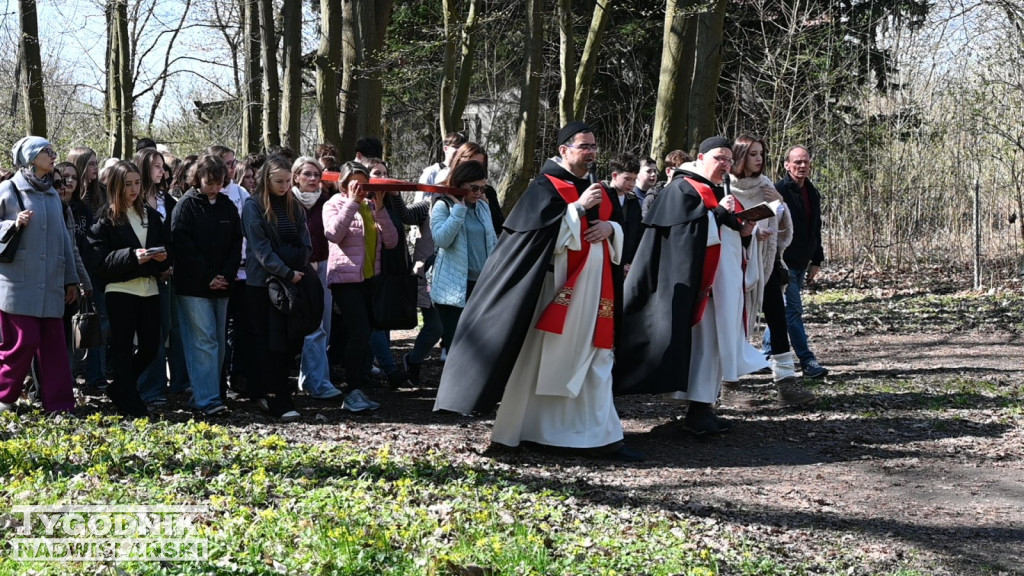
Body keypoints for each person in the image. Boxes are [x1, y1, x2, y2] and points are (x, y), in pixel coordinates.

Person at [434, 121, 640, 461]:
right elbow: (536, 239)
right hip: (556, 289)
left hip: (597, 289)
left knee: (596, 356)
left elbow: (619, 228)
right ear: (564, 150)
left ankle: (602, 436)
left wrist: (611, 227)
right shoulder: (544, 187)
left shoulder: (596, 187)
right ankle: (528, 429)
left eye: (593, 146)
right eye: (584, 146)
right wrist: (575, 211)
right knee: (542, 359)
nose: (591, 152)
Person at [615, 136, 768, 436]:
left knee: (711, 346)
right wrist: (721, 216)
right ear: (700, 157)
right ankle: (697, 411)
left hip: (718, 287)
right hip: (697, 287)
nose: (724, 164)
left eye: (728, 159)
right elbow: (686, 234)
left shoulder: (714, 190)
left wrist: (744, 229)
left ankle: (703, 407)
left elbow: (721, 231)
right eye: (718, 158)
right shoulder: (682, 187)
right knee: (703, 345)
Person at [725, 135, 815, 406]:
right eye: (753, 154)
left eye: (761, 153)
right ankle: (728, 386)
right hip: (735, 264)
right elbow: (722, 225)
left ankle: (786, 384)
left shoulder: (766, 185)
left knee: (778, 320)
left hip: (769, 263)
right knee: (735, 323)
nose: (759, 159)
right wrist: (749, 234)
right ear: (740, 156)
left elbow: (782, 224)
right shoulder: (725, 186)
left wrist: (779, 204)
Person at [0, 137, 80, 413]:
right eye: (47, 151)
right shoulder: (8, 189)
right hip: (17, 284)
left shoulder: (53, 197)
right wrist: (12, 224)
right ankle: (4, 395)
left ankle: (59, 406)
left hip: (51, 285)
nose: (53, 155)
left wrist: (71, 280)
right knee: (25, 341)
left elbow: (64, 242)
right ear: (31, 156)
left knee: (54, 347)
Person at [89, 160, 170, 418]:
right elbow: (99, 262)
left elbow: (168, 251)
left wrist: (162, 258)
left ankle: (121, 389)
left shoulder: (152, 216)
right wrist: (133, 256)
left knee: (150, 347)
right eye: (127, 184)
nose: (134, 189)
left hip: (150, 290)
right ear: (115, 186)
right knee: (122, 347)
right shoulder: (104, 219)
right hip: (120, 291)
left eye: (137, 183)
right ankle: (131, 403)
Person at [170, 154, 243, 416]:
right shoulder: (186, 206)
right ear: (197, 179)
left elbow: (237, 242)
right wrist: (208, 276)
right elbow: (183, 245)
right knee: (204, 340)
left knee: (219, 343)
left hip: (223, 284)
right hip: (193, 286)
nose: (214, 187)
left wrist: (225, 274)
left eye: (218, 182)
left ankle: (211, 392)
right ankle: (207, 399)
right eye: (209, 182)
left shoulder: (227, 206)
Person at [241, 155, 311, 422]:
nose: (284, 186)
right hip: (263, 284)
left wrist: (296, 266)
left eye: (287, 181)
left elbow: (305, 241)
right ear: (266, 180)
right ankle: (271, 394)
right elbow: (260, 250)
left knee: (289, 339)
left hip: (292, 279)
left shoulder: (294, 205)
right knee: (267, 342)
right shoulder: (253, 206)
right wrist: (286, 270)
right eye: (279, 181)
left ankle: (281, 390)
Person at [323, 161, 395, 412]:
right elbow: (333, 233)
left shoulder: (372, 206)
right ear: (342, 184)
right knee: (360, 332)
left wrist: (381, 207)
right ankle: (351, 391)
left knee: (364, 334)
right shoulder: (332, 204)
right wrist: (352, 202)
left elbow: (392, 240)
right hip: (345, 279)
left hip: (369, 280)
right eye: (354, 183)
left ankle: (358, 388)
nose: (360, 189)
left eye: (364, 184)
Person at [764, 145, 829, 378]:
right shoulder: (778, 191)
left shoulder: (812, 192)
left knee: (780, 310)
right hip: (783, 261)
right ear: (786, 165)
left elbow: (816, 228)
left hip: (803, 260)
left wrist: (817, 259)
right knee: (793, 310)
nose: (802, 166)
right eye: (797, 162)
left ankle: (765, 354)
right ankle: (807, 360)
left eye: (805, 162)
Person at [290, 156, 344, 400]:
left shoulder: (327, 202)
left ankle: (315, 380)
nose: (312, 179)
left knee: (323, 326)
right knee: (304, 327)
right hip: (296, 269)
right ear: (296, 177)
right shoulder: (288, 201)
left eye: (316, 175)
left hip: (324, 265)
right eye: (307, 174)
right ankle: (314, 381)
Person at [430, 160, 498, 355]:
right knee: (457, 347)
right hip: (453, 289)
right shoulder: (443, 206)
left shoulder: (482, 207)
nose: (478, 193)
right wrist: (458, 210)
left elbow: (491, 241)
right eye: (473, 187)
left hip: (481, 285)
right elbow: (441, 240)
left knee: (481, 346)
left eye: (482, 188)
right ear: (459, 184)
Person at [641, 149, 691, 219]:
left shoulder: (689, 196)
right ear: (668, 171)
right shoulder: (654, 196)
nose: (685, 175)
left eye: (687, 171)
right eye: (680, 171)